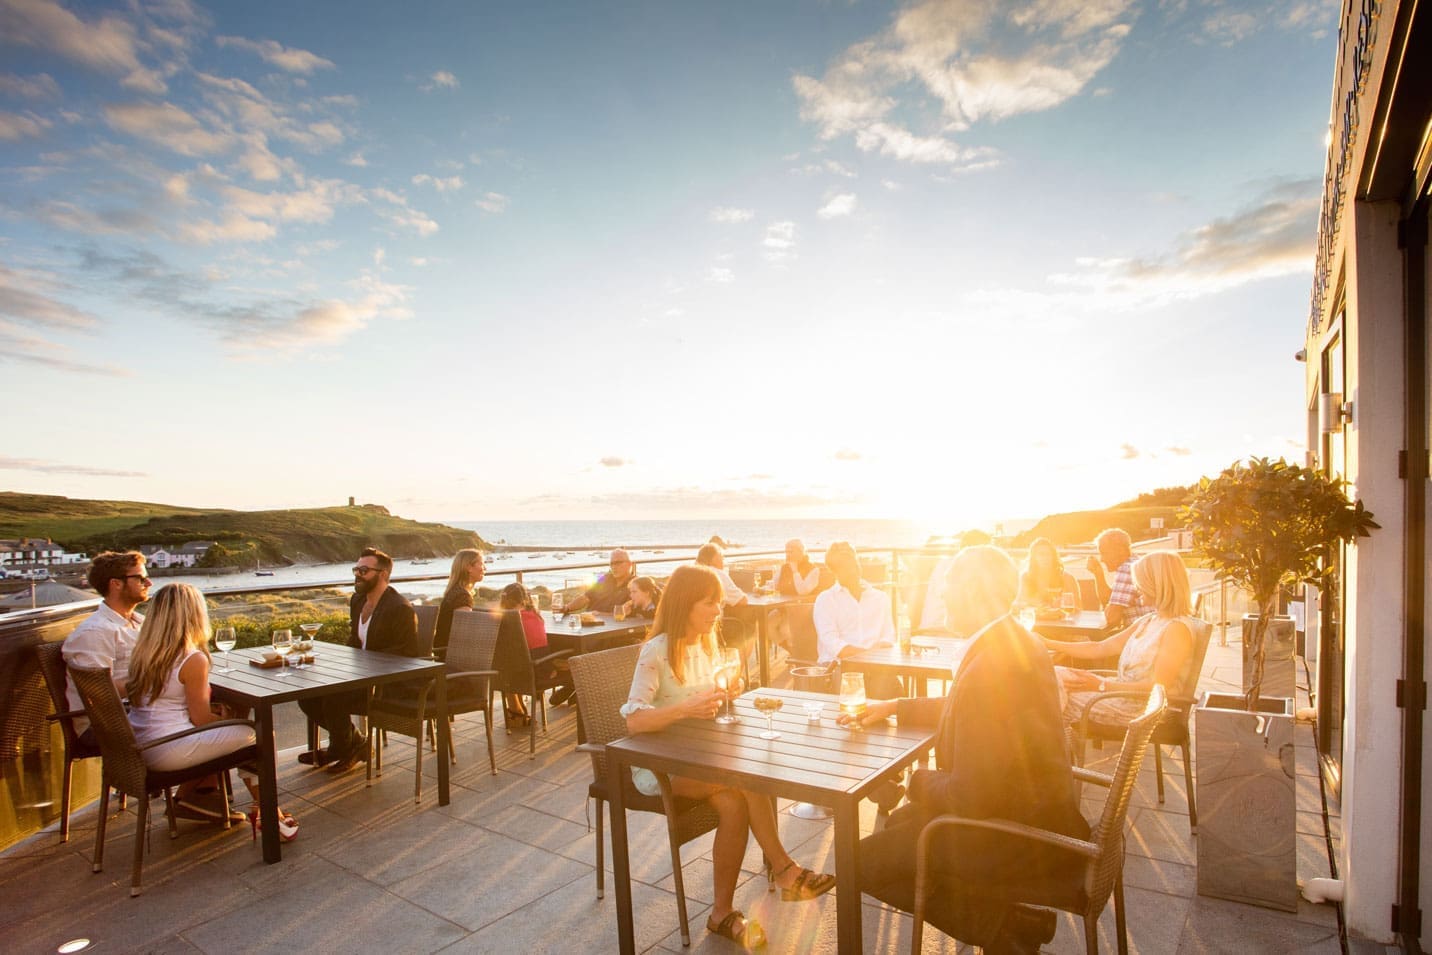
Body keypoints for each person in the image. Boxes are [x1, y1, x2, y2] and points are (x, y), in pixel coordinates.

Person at [848, 546, 1086, 954]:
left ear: (974, 592)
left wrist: (918, 781)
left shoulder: (989, 665)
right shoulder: (1014, 641)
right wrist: (893, 707)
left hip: (1015, 836)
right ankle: (1011, 924)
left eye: (948, 587)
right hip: (1044, 814)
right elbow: (974, 707)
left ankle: (1007, 932)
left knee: (856, 863)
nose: (941, 596)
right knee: (899, 828)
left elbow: (970, 796)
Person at [621, 565, 835, 947]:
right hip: (661, 767)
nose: (719, 611)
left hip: (700, 758)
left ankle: (721, 914)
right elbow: (635, 722)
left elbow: (707, 703)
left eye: (719, 603)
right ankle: (784, 869)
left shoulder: (705, 646)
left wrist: (725, 693)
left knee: (736, 802)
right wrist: (686, 709)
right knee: (744, 776)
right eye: (711, 604)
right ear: (686, 604)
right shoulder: (655, 652)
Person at [126, 584, 296, 838]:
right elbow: (201, 719)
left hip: (142, 745)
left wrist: (225, 719)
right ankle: (271, 814)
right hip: (169, 750)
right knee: (259, 735)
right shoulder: (191, 658)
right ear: (194, 614)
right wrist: (225, 718)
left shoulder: (143, 652)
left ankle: (191, 799)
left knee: (240, 727)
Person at [297, 547, 417, 773]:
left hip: (387, 684)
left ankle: (342, 747)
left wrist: (365, 665)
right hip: (359, 678)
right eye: (356, 569)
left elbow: (407, 654)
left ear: (382, 574)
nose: (357, 574)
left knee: (333, 695)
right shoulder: (357, 601)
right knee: (307, 694)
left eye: (364, 570)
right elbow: (355, 640)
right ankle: (353, 743)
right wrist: (336, 661)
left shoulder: (400, 608)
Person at [1043, 550, 1196, 725]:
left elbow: (1158, 689)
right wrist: (1046, 642)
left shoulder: (1176, 629)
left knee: (1048, 698)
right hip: (1120, 695)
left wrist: (1101, 685)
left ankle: (1047, 748)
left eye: (1141, 583)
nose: (1136, 588)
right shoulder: (1149, 620)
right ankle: (1054, 747)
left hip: (1141, 710)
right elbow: (1099, 648)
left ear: (1158, 584)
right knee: (1053, 675)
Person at [62, 550, 150, 744]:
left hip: (135, 710)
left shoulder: (139, 622)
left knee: (207, 715)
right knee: (197, 726)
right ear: (116, 583)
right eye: (140, 578)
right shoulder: (94, 632)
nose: (149, 583)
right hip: (103, 724)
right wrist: (155, 684)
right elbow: (100, 690)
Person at [813, 541, 900, 699]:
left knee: (892, 686)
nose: (852, 569)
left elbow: (889, 637)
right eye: (844, 566)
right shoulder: (825, 600)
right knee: (864, 685)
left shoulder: (881, 598)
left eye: (853, 563)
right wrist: (869, 657)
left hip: (877, 667)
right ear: (833, 571)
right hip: (839, 667)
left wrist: (874, 659)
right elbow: (834, 645)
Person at [497, 582, 556, 725]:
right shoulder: (534, 616)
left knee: (510, 661)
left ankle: (515, 712)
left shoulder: (501, 619)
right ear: (525, 600)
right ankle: (516, 713)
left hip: (510, 676)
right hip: (536, 673)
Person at [1084, 528, 1150, 628]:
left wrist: (1110, 609)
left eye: (1104, 553)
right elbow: (1108, 600)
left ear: (1120, 551)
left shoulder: (1127, 569)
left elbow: (1112, 619)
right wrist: (1098, 574)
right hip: (1149, 632)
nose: (1102, 559)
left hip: (1142, 636)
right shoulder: (1136, 562)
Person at [435, 548, 484, 655]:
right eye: (481, 564)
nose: (484, 568)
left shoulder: (454, 592)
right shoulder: (462, 597)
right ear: (469, 567)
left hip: (444, 653)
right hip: (452, 657)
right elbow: (465, 635)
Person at [1016, 538, 1081, 610]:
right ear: (1034, 558)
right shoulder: (1025, 578)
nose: (1045, 558)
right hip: (1035, 620)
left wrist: (1062, 604)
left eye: (1048, 554)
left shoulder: (1067, 578)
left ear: (1054, 557)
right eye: (1041, 554)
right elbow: (1019, 605)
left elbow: (1078, 608)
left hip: (1060, 620)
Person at [565, 549, 636, 613]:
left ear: (629, 564)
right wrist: (566, 608)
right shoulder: (603, 578)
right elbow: (585, 597)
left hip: (613, 625)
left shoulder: (636, 584)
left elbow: (628, 615)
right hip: (589, 621)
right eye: (612, 564)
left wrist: (600, 615)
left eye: (618, 563)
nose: (614, 567)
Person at [694, 542, 748, 608]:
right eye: (721, 556)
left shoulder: (691, 572)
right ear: (714, 559)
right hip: (712, 617)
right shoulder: (717, 574)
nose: (723, 559)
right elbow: (742, 601)